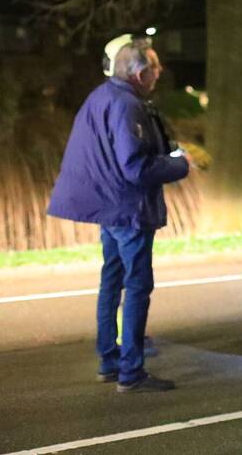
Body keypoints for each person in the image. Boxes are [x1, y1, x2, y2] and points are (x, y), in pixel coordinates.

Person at [48, 33, 189, 392]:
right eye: (155, 67)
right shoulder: (128, 105)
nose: (160, 71)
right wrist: (180, 165)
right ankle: (131, 371)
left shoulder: (101, 97)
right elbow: (135, 167)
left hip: (109, 208)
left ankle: (108, 361)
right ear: (140, 73)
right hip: (128, 210)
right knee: (138, 286)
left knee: (111, 281)